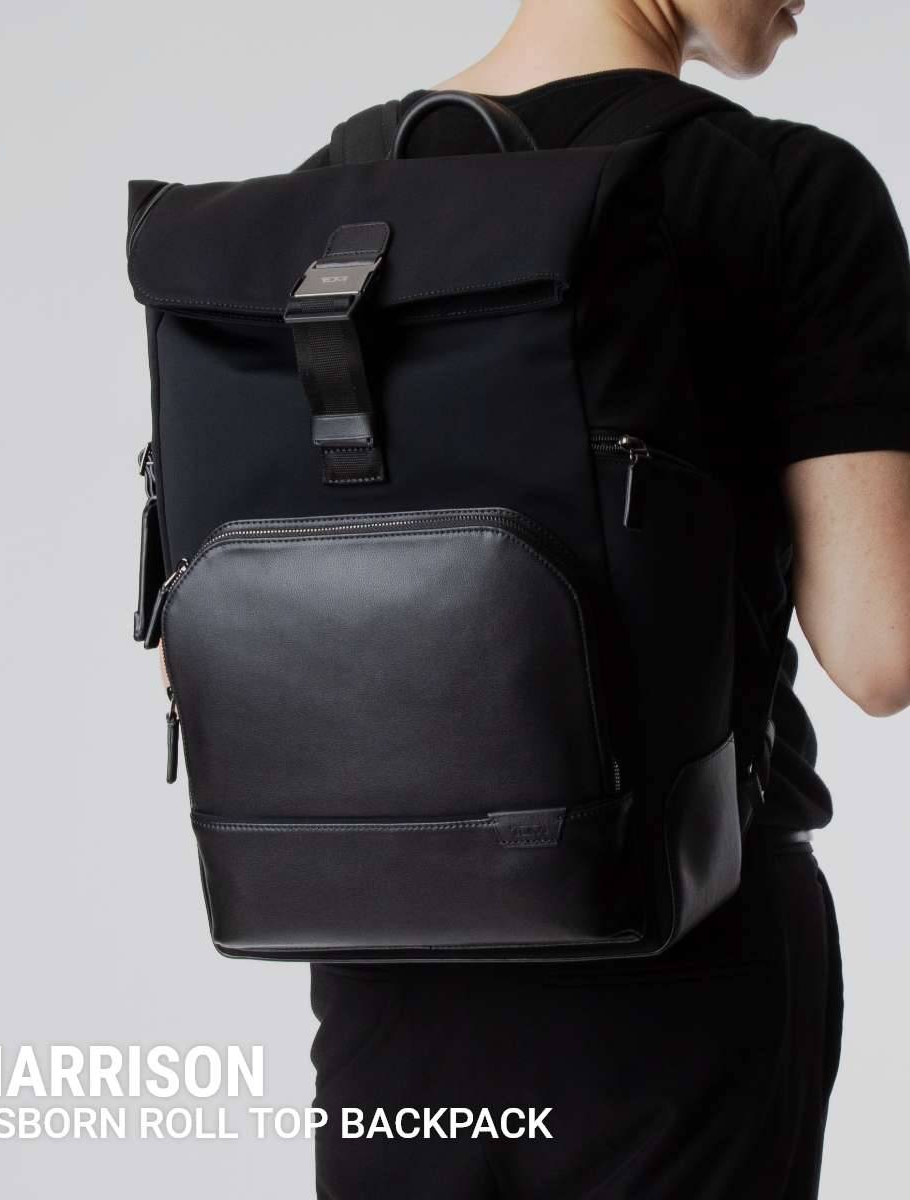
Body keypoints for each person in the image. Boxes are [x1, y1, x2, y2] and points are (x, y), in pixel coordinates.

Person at [288, 2, 910, 1195]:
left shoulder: (326, 199)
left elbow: (217, 622)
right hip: (681, 960)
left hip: (390, 959)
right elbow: (880, 652)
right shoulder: (787, 191)